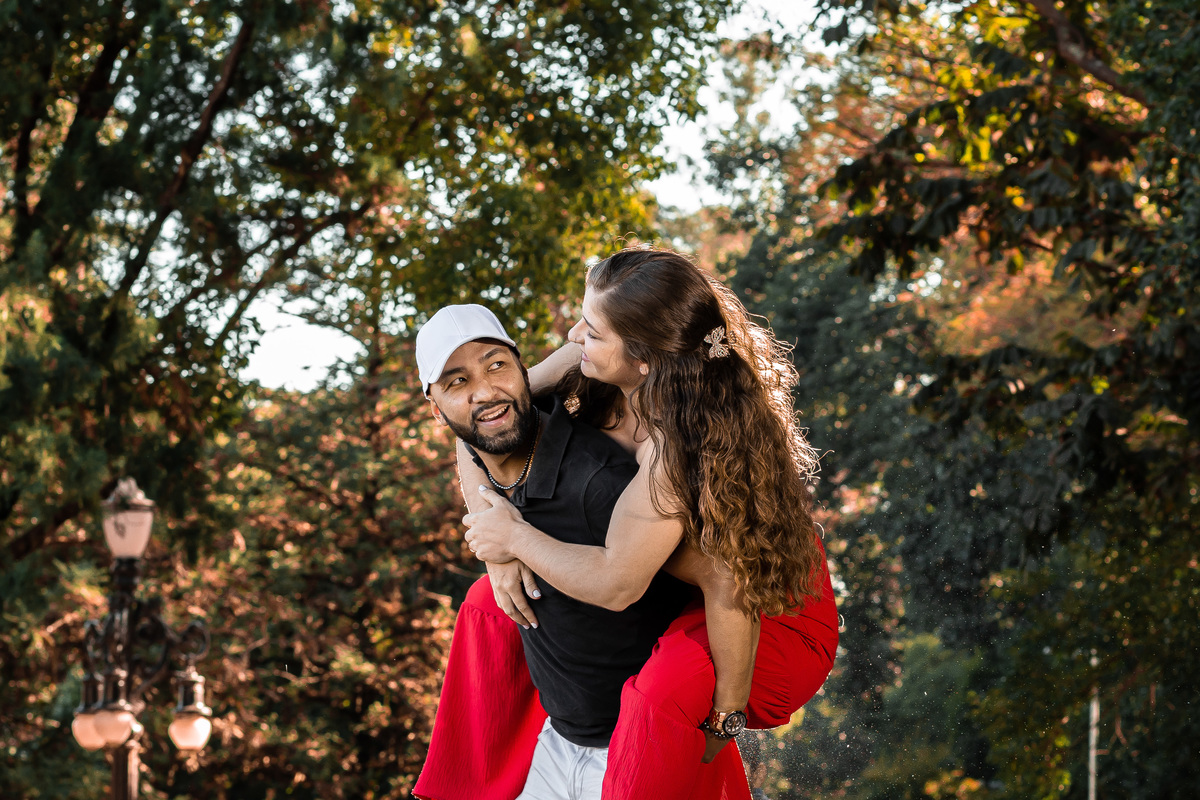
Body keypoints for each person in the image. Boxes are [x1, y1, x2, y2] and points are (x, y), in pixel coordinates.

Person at [459, 246, 839, 800]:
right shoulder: (582, 363)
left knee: (666, 685)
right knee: (487, 601)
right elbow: (477, 422)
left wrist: (726, 717)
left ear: (644, 360)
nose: (573, 335)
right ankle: (477, 778)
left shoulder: (681, 449)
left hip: (770, 607)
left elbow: (708, 584)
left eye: (593, 331)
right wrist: (495, 545)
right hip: (674, 582)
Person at [411, 304, 691, 800]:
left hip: (634, 752)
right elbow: (469, 443)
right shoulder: (490, 459)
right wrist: (496, 548)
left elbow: (644, 584)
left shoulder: (599, 484)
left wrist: (512, 540)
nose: (485, 391)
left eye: (496, 366)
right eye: (457, 382)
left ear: (525, 372)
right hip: (557, 742)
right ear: (437, 409)